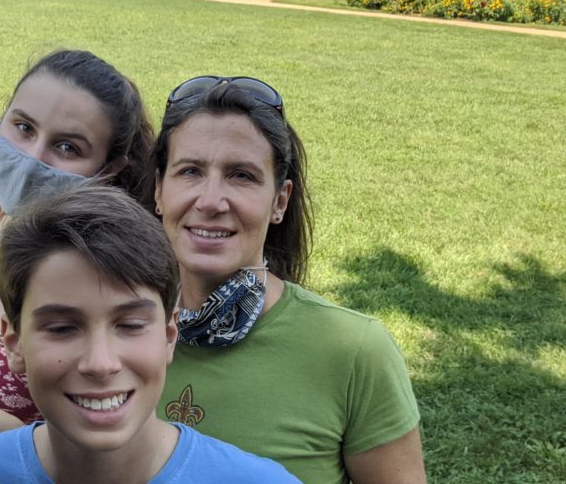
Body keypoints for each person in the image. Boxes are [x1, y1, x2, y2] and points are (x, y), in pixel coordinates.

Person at [151, 76, 426, 484]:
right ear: (159, 190)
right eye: (190, 171)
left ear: (280, 201)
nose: (210, 201)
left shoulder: (354, 352)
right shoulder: (111, 336)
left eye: (241, 176)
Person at [0, 49, 154, 434]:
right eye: (23, 127)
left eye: (68, 147)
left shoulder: (105, 281)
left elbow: (101, 437)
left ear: (107, 171)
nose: (32, 157)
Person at [0, 181, 300, 483]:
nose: (101, 363)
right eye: (62, 329)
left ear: (169, 335)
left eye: (131, 325)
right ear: (14, 344)